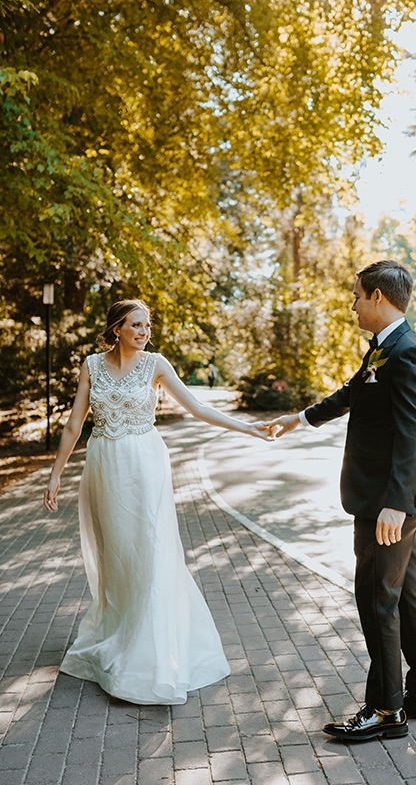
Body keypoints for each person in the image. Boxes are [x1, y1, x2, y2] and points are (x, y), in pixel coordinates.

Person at [44, 299, 271, 705]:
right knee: (117, 554)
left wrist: (248, 428)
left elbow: (197, 407)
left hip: (145, 466)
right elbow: (74, 423)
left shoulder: (156, 364)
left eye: (147, 325)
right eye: (136, 325)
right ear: (116, 329)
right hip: (103, 464)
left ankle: (151, 650)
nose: (144, 332)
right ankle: (120, 631)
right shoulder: (92, 366)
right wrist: (57, 472)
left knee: (149, 550)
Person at [268, 260, 416, 741]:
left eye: (356, 296)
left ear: (378, 298)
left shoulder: (408, 352)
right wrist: (300, 418)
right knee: (408, 591)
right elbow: (354, 391)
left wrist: (395, 501)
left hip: (388, 502)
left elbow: (415, 432)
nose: (352, 305)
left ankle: (386, 710)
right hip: (394, 497)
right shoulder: (385, 348)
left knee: (377, 600)